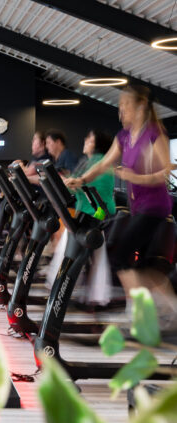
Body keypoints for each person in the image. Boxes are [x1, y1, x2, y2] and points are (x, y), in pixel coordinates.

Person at [67, 85, 177, 329]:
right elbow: (103, 164)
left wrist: (134, 176)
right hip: (139, 207)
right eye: (120, 107)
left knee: (119, 257)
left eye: (125, 106)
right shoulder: (124, 137)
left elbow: (164, 173)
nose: (121, 112)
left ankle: (136, 313)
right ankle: (171, 309)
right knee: (146, 266)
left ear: (140, 107)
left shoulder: (154, 133)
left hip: (155, 206)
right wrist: (81, 180)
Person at [47, 130, 116, 306]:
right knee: (75, 249)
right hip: (88, 210)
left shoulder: (99, 161)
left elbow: (92, 184)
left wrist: (70, 183)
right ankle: (84, 294)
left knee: (79, 249)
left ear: (97, 144)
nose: (85, 140)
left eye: (90, 139)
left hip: (98, 211)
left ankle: (82, 295)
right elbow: (75, 183)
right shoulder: (88, 161)